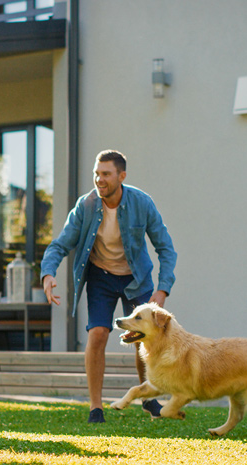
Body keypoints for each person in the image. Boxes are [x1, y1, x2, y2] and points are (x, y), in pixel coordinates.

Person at [40, 150, 177, 423]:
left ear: (121, 176)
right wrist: (48, 273)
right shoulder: (86, 206)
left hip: (136, 277)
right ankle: (95, 407)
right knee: (98, 334)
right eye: (96, 173)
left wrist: (162, 289)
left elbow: (166, 248)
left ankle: (148, 398)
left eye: (105, 174)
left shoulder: (142, 203)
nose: (99, 179)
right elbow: (60, 244)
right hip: (101, 276)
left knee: (145, 338)